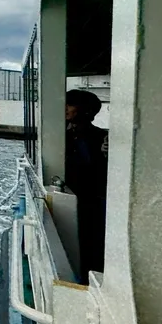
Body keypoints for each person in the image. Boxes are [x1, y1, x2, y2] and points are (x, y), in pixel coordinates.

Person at [64, 89, 108, 280]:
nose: (65, 108)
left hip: (90, 202)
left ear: (86, 111)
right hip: (67, 197)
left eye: (70, 104)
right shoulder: (57, 132)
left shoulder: (101, 138)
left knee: (90, 246)